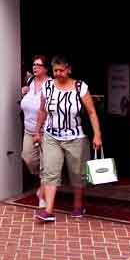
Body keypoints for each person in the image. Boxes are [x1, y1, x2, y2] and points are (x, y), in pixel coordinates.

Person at [33, 55, 102, 222]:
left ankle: (78, 206)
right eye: (55, 70)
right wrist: (37, 131)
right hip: (51, 136)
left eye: (61, 70)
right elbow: (42, 110)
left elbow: (92, 112)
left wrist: (97, 135)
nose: (58, 73)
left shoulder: (80, 87)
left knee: (77, 173)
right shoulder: (47, 86)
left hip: (76, 137)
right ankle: (48, 210)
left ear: (69, 70)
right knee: (50, 171)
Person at [20, 55, 50, 207]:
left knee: (46, 164)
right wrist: (23, 91)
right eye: (34, 64)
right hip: (29, 130)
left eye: (39, 65)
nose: (35, 67)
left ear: (46, 68)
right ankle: (47, 179)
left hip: (46, 131)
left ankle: (42, 195)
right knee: (28, 157)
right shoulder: (30, 82)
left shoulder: (51, 84)